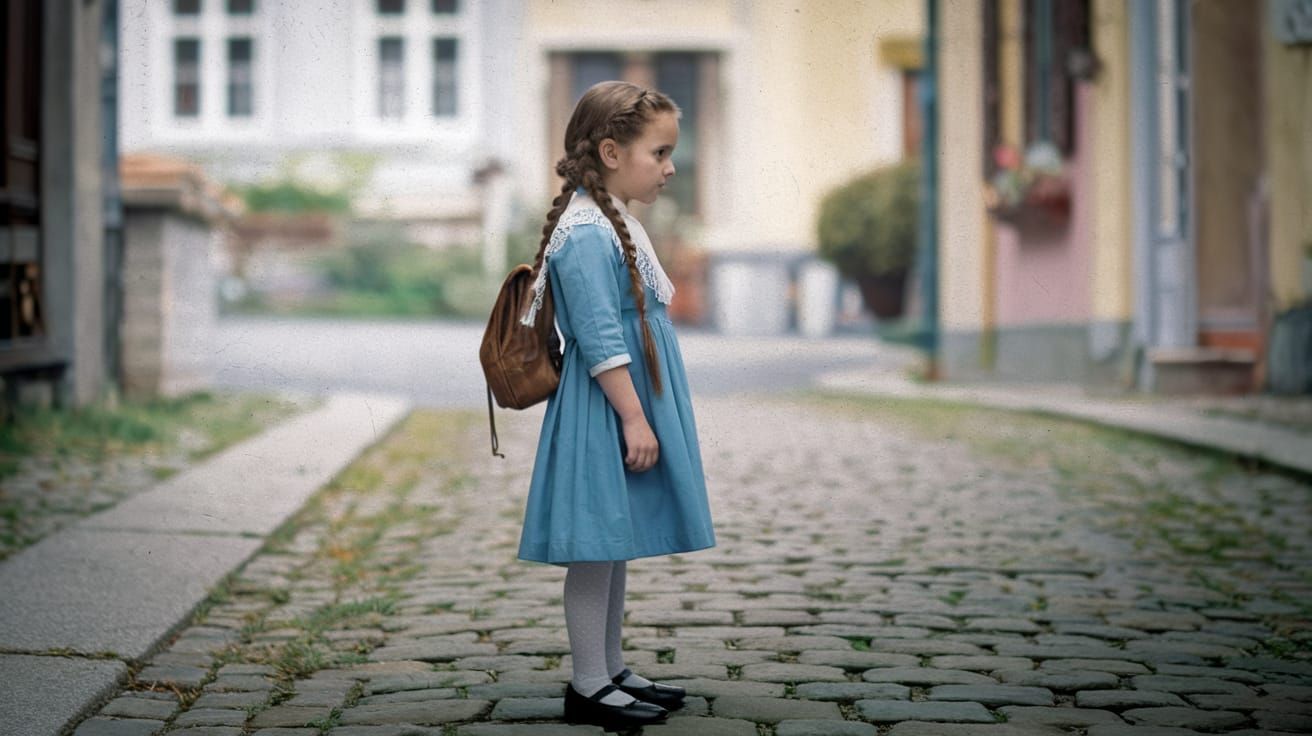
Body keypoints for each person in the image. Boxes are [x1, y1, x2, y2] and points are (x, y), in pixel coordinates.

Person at [516, 80, 717, 729]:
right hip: (605, 407)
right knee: (595, 544)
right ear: (610, 151)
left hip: (623, 400)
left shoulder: (612, 219)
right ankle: (588, 684)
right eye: (659, 153)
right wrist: (634, 416)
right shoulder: (583, 232)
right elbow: (600, 337)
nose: (670, 166)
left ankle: (609, 668)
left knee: (614, 540)